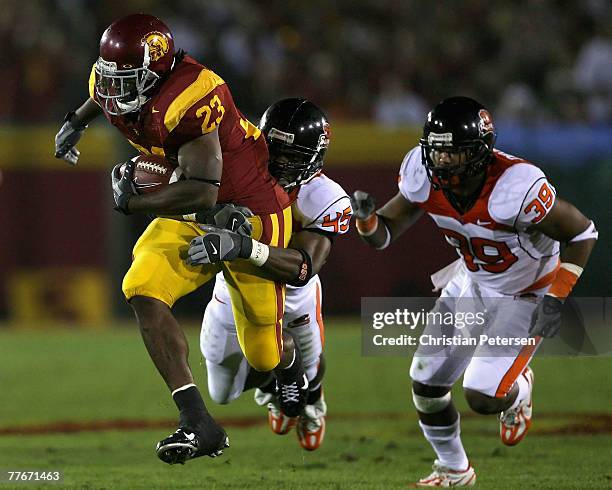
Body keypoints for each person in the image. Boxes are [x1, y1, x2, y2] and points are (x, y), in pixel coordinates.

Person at [53, 14, 301, 465]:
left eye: (125, 81)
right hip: (187, 206)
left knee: (264, 355)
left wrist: (132, 203)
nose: (113, 92)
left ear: (157, 69)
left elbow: (205, 187)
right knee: (142, 289)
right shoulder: (114, 75)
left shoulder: (188, 98)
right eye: (110, 78)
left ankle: (295, 369)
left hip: (247, 210)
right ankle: (198, 422)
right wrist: (77, 121)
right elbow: (100, 95)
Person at [351, 96, 597, 486]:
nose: (443, 161)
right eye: (438, 151)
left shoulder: (515, 186)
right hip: (472, 282)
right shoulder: (421, 171)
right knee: (426, 384)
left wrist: (557, 297)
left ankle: (518, 391)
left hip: (526, 292)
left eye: (454, 153)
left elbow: (583, 232)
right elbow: (384, 236)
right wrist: (366, 222)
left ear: (480, 152)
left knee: (483, 395)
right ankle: (454, 468)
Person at [187, 98, 351, 451]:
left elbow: (303, 268)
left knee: (308, 369)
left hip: (295, 301)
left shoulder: (324, 197)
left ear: (313, 159)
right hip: (235, 294)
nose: (276, 163)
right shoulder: (235, 171)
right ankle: (274, 378)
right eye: (272, 151)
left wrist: (247, 247)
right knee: (222, 393)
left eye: (289, 158)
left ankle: (312, 399)